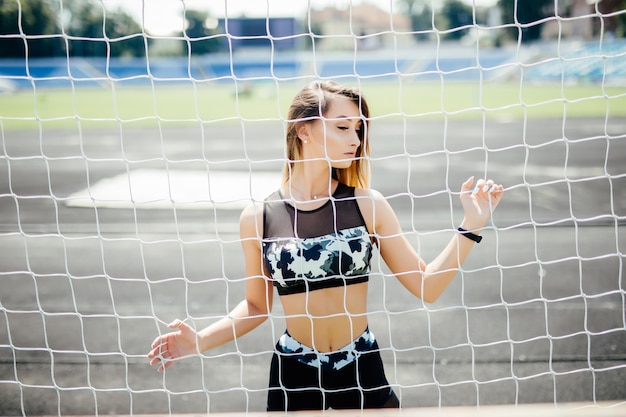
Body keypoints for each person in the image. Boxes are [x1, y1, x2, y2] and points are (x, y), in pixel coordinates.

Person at [147, 80, 505, 411]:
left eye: (359, 129)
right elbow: (256, 306)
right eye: (342, 127)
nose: (355, 139)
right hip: (294, 373)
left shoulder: (369, 204)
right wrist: (199, 341)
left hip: (361, 365)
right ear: (303, 129)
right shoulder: (258, 216)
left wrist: (470, 226)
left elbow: (426, 286)